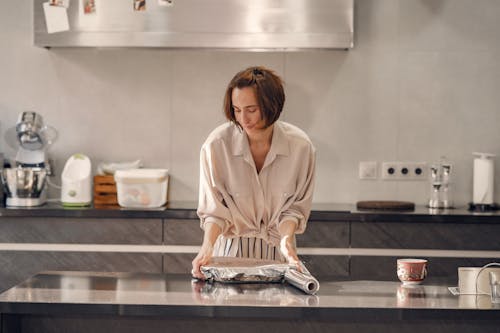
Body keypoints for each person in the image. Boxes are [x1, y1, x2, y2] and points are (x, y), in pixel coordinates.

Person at [191, 66, 316, 279]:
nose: (243, 119)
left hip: (280, 257)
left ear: (272, 106)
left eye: (251, 109)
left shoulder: (301, 147)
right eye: (237, 110)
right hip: (228, 254)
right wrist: (207, 247)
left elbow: (294, 210)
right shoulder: (216, 145)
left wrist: (286, 242)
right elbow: (215, 211)